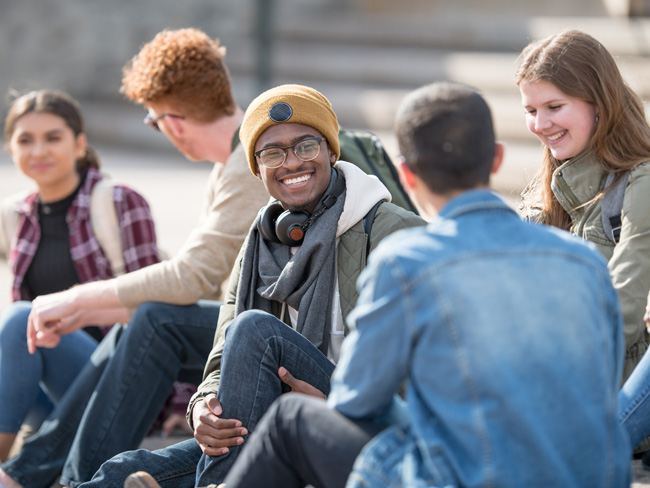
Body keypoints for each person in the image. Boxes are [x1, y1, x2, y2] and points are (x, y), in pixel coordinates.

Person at [206, 81, 632, 488]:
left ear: (407, 177)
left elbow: (357, 401)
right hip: (594, 478)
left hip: (471, 475)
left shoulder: (407, 262)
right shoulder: (582, 261)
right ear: (497, 159)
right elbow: (602, 384)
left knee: (291, 418)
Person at [85, 83, 425, 488]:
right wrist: (203, 410)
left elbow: (432, 367)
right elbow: (222, 354)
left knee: (257, 330)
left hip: (366, 418)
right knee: (118, 472)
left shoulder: (393, 231)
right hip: (269, 417)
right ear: (257, 168)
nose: (291, 163)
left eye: (306, 146)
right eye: (272, 153)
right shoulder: (261, 241)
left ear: (332, 151)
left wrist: (339, 405)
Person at [0, 28, 270, 488]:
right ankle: (28, 475)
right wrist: (81, 309)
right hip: (231, 332)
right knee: (118, 318)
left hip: (263, 337)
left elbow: (190, 281)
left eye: (153, 121)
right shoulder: (229, 166)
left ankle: (58, 478)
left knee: (154, 319)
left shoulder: (247, 164)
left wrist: (74, 300)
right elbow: (201, 291)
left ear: (173, 120)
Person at [0, 89, 160, 462]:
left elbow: (157, 308)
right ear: (11, 148)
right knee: (17, 321)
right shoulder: (13, 217)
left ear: (79, 144)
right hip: (54, 388)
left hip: (119, 379)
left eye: (53, 138)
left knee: (24, 314)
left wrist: (179, 402)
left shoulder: (118, 201)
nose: (39, 151)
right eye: (25, 140)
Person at [516, 29, 650, 389]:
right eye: (531, 110)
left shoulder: (642, 180)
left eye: (554, 107)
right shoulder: (546, 190)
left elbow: (621, 305)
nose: (540, 125)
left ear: (598, 102)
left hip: (618, 412)